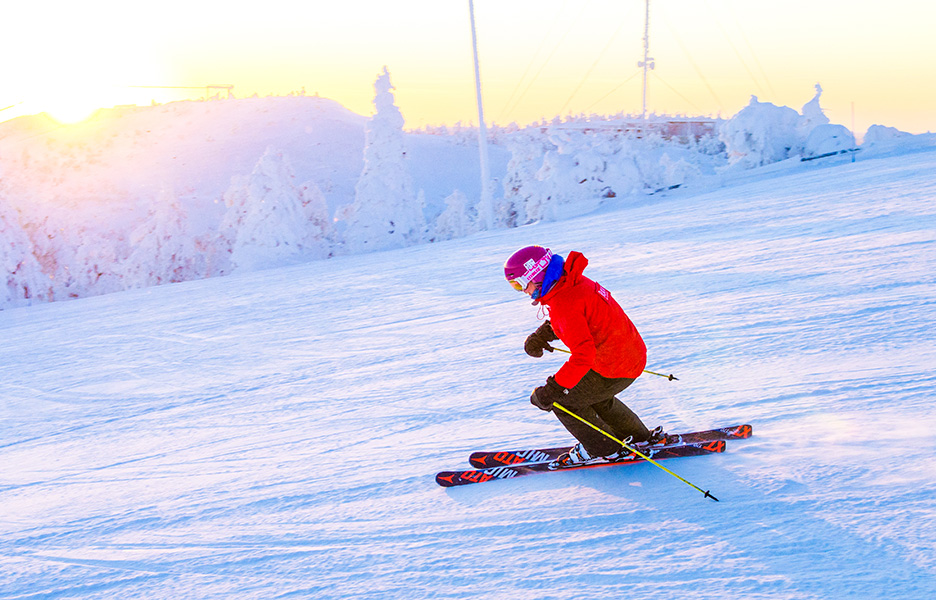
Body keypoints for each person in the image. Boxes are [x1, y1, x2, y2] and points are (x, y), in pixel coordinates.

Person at [503, 245, 662, 468]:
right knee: (593, 396)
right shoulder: (572, 281)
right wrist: (544, 334)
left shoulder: (563, 302)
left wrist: (552, 390)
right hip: (629, 355)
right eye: (514, 286)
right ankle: (637, 435)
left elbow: (582, 355)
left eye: (520, 284)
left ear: (536, 275)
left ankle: (604, 449)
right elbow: (581, 317)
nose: (522, 291)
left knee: (563, 402)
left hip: (612, 365)